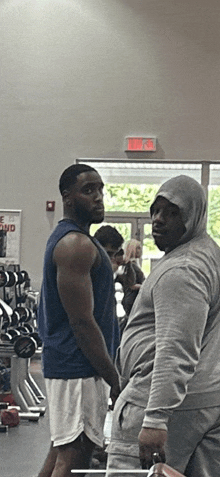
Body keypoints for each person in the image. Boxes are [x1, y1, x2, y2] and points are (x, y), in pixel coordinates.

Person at [106, 175, 220, 477]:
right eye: (155, 210)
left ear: (193, 217)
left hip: (164, 406)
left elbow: (176, 347)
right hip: (204, 402)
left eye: (172, 213)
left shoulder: (183, 269)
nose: (158, 220)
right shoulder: (208, 255)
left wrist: (155, 419)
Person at [37, 163, 120, 477]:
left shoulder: (80, 241)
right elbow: (82, 323)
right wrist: (113, 377)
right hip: (78, 367)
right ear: (67, 198)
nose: (98, 197)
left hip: (73, 366)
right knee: (74, 458)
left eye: (100, 189)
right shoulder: (75, 245)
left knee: (62, 453)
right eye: (88, 190)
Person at [118, 239, 145, 317]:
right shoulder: (131, 265)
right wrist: (146, 286)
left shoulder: (132, 264)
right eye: (138, 248)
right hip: (131, 300)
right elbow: (132, 285)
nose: (140, 250)